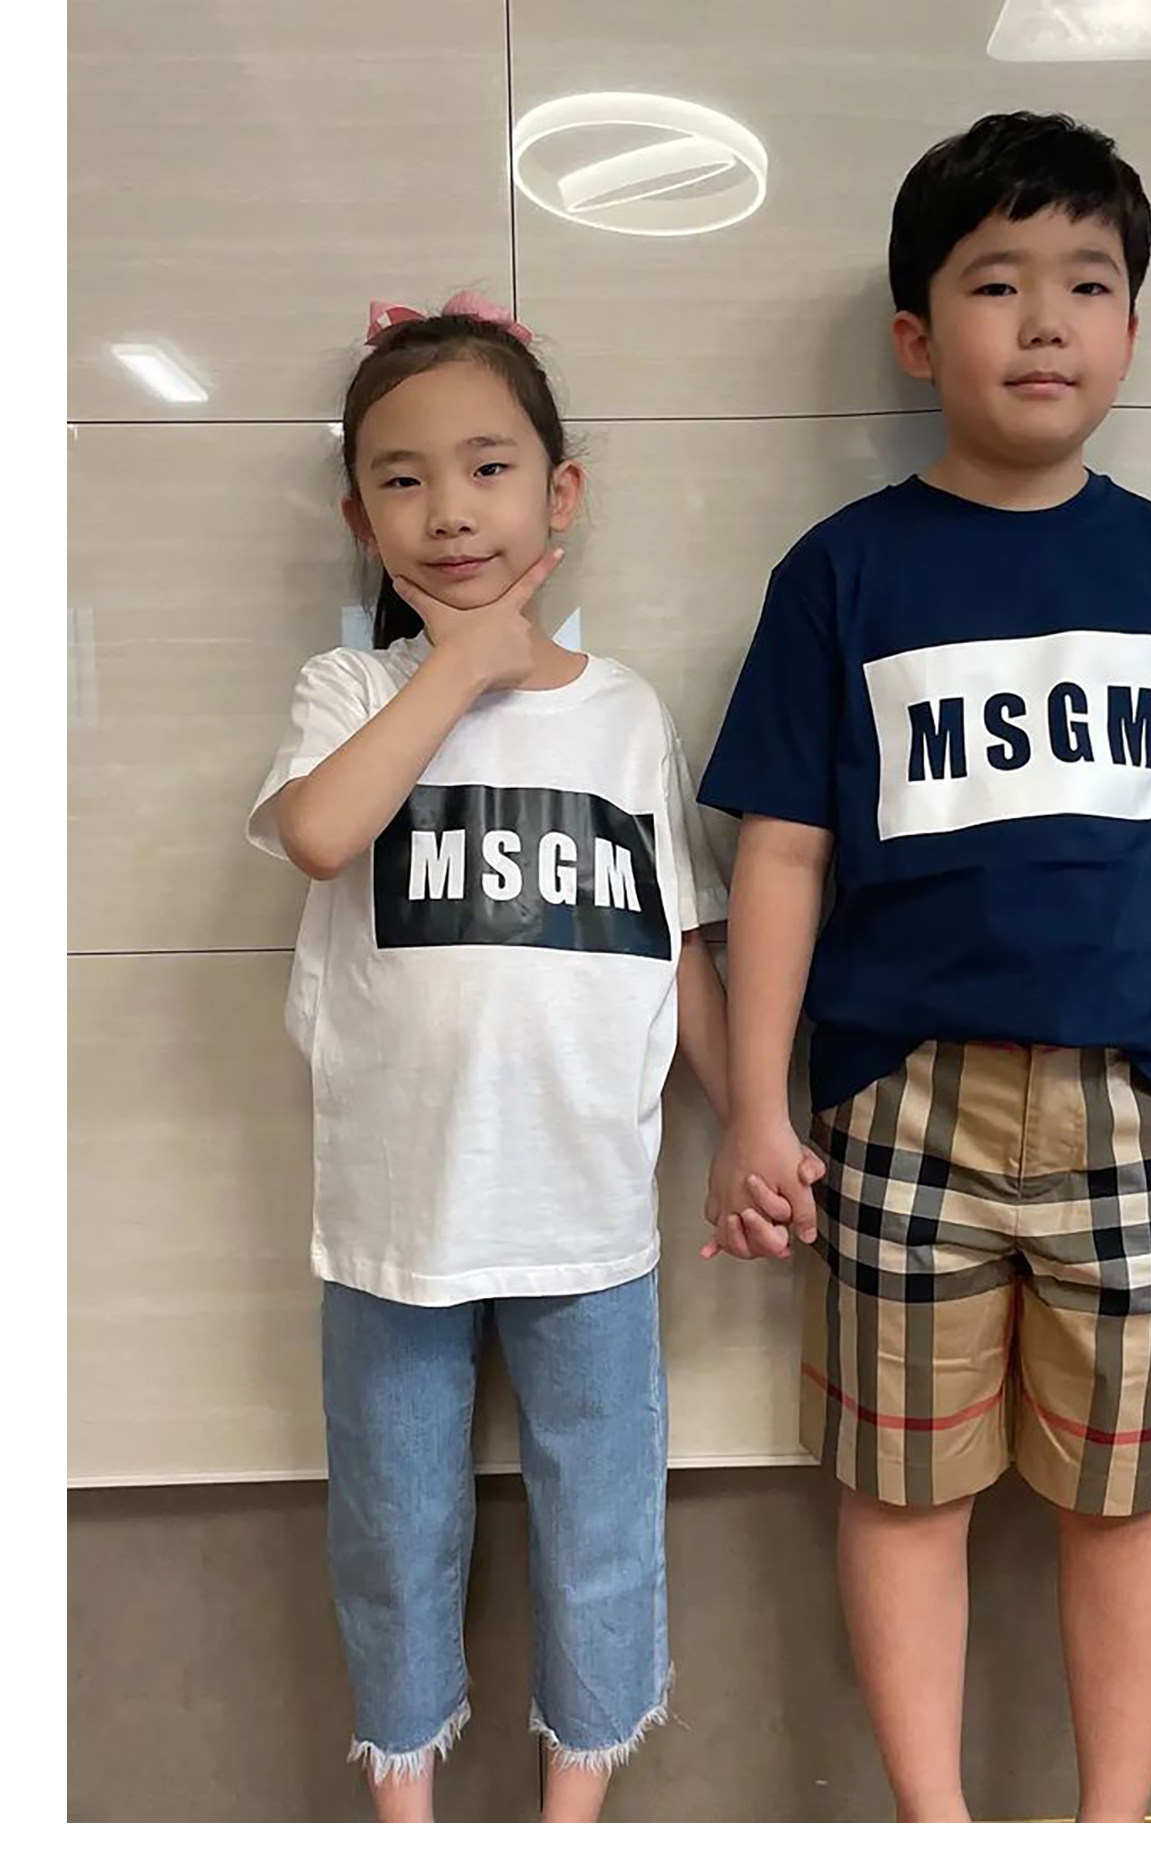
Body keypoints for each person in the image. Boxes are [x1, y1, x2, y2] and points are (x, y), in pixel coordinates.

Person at [699, 115, 1151, 1822]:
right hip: (900, 1107)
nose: (1046, 320)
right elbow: (780, 856)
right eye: (995, 283)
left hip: (1138, 1103)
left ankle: (1110, 1827)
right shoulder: (842, 571)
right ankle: (938, 1826)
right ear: (916, 337)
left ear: (1133, 329)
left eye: (1088, 284)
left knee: (1128, 1492)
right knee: (904, 1488)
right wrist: (758, 1108)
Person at [247, 293, 804, 1821]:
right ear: (359, 519)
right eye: (403, 479)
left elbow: (679, 947)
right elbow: (320, 833)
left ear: (562, 494)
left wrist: (753, 1124)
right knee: (394, 1528)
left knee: (601, 1523)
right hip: (391, 1218)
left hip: (589, 1214)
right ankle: (407, 1815)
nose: (450, 511)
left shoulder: (627, 716)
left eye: (488, 468)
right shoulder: (350, 694)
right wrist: (460, 665)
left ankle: (569, 1820)